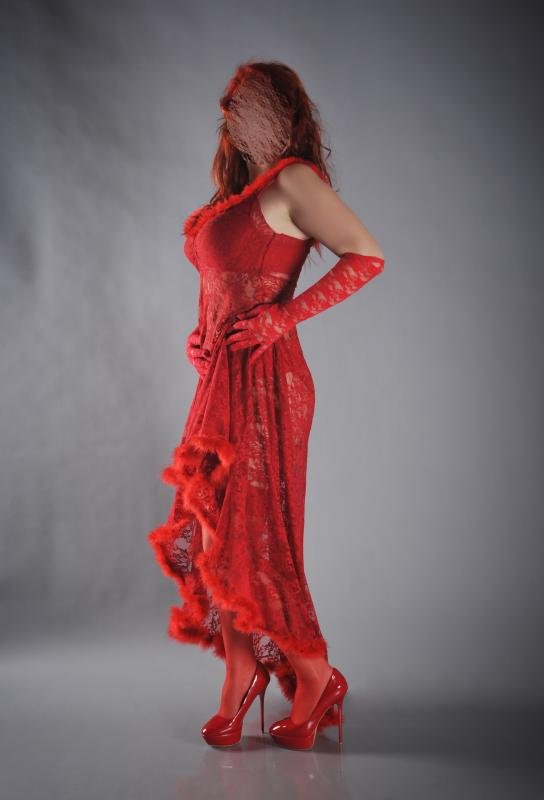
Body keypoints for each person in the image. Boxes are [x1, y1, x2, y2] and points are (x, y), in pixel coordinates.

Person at [148, 60, 385, 751]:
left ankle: (313, 677)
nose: (233, 113)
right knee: (215, 533)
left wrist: (284, 318)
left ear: (280, 110)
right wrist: (200, 335)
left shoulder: (294, 180)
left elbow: (366, 255)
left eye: (246, 102)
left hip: (267, 383)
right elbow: (222, 282)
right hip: (222, 381)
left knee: (256, 538)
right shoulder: (238, 194)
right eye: (229, 105)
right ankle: (244, 673)